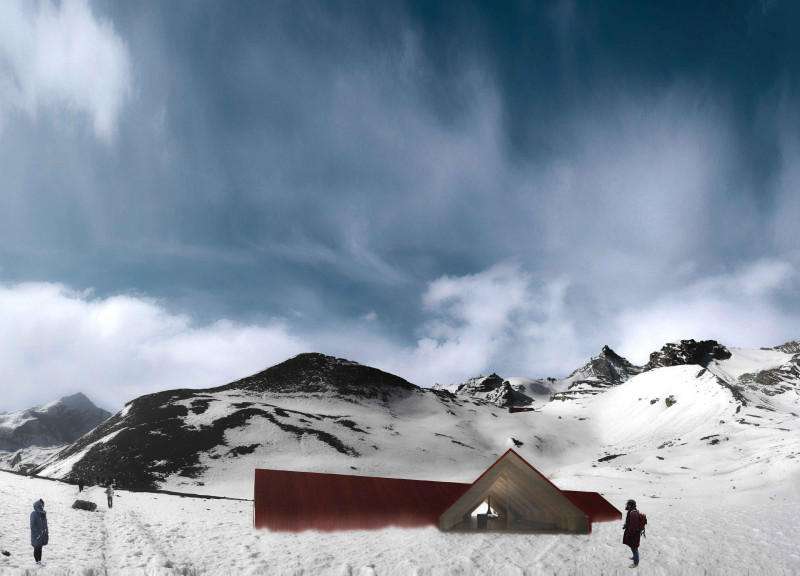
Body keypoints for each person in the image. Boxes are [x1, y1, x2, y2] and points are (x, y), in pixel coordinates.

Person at [622, 499, 641, 569]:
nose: (626, 506)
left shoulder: (633, 513)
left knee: (634, 547)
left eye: (627, 504)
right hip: (633, 533)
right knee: (632, 546)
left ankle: (636, 563)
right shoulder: (632, 511)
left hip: (634, 534)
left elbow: (634, 527)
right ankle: (634, 557)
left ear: (630, 505)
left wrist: (628, 534)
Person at [29, 499, 48, 567]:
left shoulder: (43, 513)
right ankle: (37, 562)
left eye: (43, 504)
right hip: (36, 535)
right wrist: (36, 535)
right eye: (41, 504)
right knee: (36, 548)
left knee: (40, 548)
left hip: (42, 534)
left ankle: (39, 561)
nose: (43, 506)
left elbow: (45, 524)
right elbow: (32, 525)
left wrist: (46, 532)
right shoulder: (33, 514)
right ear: (38, 505)